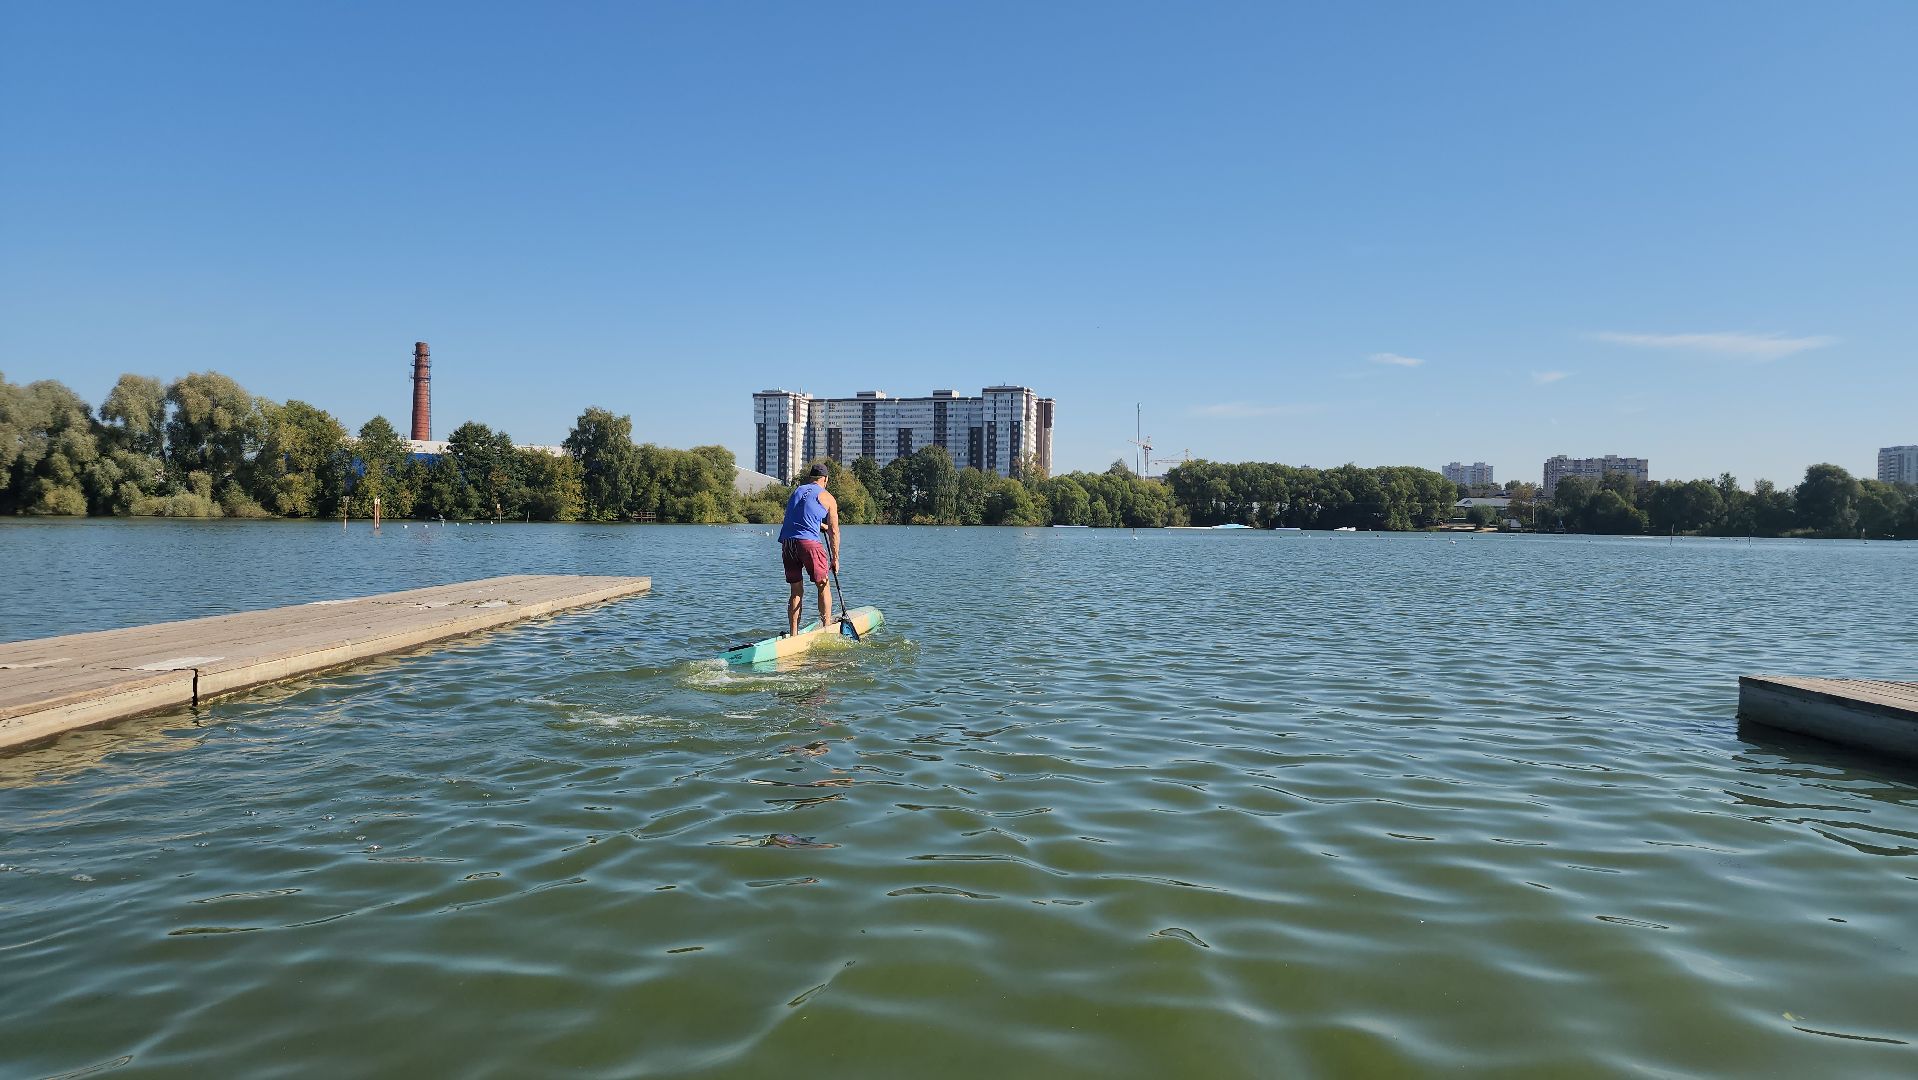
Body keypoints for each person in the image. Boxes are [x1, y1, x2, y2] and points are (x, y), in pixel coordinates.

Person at [777, 462, 841, 636]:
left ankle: (793, 634)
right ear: (825, 479)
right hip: (809, 544)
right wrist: (835, 558)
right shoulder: (827, 497)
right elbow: (834, 530)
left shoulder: (797, 491)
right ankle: (826, 628)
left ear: (811, 478)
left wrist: (820, 525)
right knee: (823, 585)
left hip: (788, 542)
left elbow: (798, 517)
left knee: (796, 590)